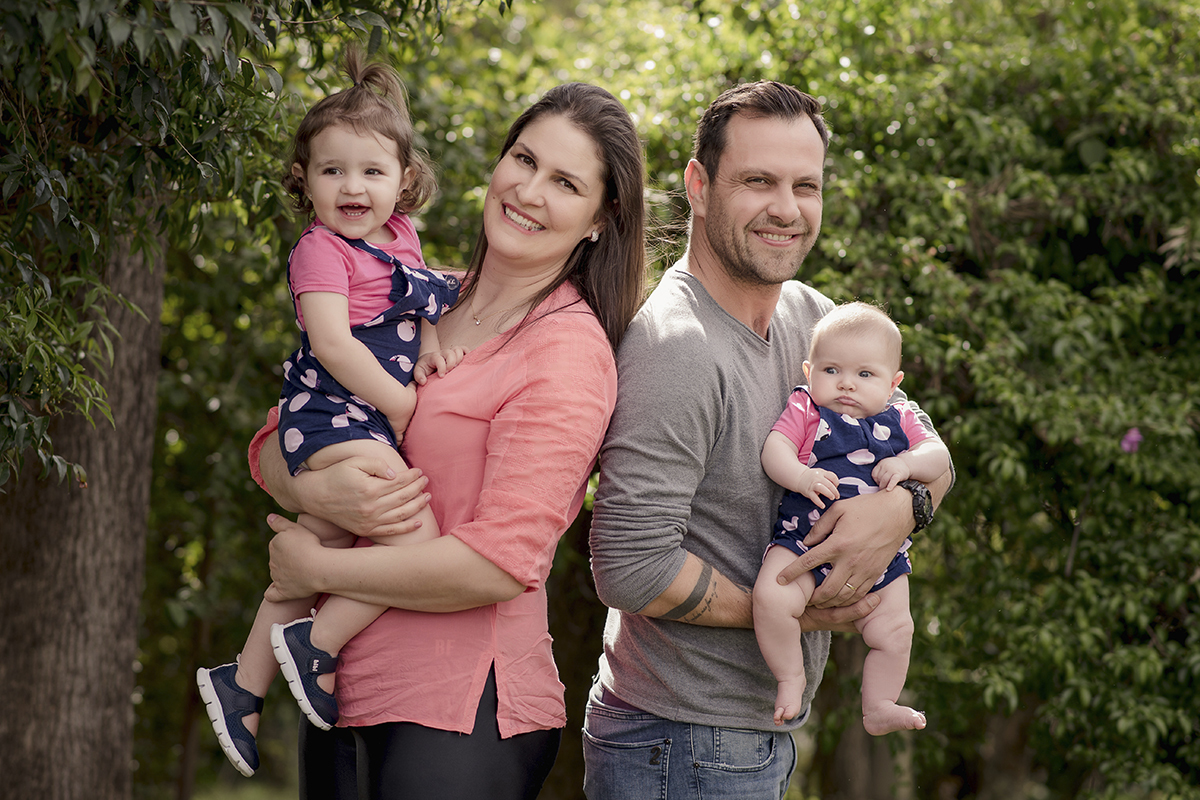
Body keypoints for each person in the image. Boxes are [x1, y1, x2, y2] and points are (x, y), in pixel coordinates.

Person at [240, 82, 647, 799]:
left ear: (600, 218)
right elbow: (281, 434)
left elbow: (499, 566)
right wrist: (320, 490)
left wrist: (318, 569)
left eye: (565, 183)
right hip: (335, 689)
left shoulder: (565, 351)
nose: (529, 191)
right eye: (524, 159)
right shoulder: (421, 297)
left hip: (459, 712)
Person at [583, 81, 953, 799]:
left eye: (805, 186)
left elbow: (932, 453)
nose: (787, 208)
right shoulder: (677, 349)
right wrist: (798, 609)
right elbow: (629, 567)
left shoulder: (816, 322)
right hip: (678, 741)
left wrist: (903, 509)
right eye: (759, 181)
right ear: (698, 186)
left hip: (742, 736)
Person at [196, 50, 464, 777]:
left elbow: (421, 303)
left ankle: (243, 681)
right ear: (304, 179)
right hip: (330, 412)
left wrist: (431, 345)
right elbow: (334, 345)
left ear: (403, 180)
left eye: (372, 171)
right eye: (333, 170)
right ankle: (316, 641)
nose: (353, 187)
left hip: (362, 420)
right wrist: (403, 403)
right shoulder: (320, 253)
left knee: (322, 540)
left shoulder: (401, 239)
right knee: (413, 531)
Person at [755, 301, 950, 732]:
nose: (846, 384)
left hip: (880, 557)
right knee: (771, 598)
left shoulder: (900, 416)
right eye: (831, 371)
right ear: (809, 372)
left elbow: (939, 457)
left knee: (895, 630)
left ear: (893, 383)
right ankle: (790, 677)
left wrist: (906, 464)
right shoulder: (807, 408)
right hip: (802, 541)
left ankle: (879, 705)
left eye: (865, 374)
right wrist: (801, 476)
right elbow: (775, 449)